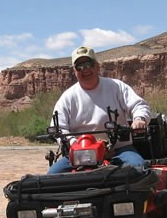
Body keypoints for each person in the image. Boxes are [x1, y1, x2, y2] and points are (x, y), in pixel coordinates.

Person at [47, 46, 151, 174]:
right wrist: (75, 145)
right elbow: (58, 126)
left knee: (139, 169)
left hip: (118, 150)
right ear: (74, 71)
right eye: (79, 66)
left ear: (97, 66)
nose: (85, 70)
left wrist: (139, 119)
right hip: (80, 153)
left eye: (88, 64)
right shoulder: (68, 97)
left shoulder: (116, 87)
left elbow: (139, 105)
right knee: (52, 176)